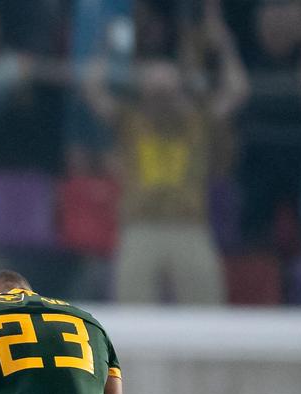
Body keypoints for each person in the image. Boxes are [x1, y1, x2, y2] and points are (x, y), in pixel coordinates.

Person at [82, 1, 246, 303]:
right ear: (144, 91)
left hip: (189, 226)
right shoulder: (131, 120)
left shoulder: (196, 122)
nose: (161, 99)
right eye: (155, 92)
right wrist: (104, 46)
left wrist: (223, 43)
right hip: (140, 226)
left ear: (179, 89)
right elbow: (92, 89)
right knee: (133, 316)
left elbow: (237, 90)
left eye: (167, 91)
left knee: (207, 316)